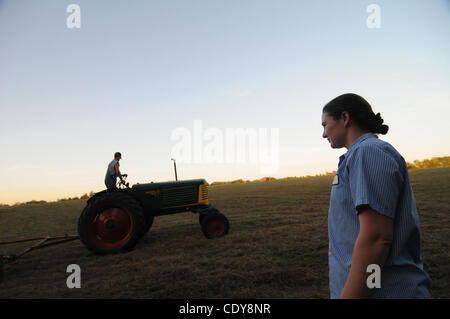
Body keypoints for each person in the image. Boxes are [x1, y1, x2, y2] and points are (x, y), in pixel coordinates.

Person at [321, 93, 431, 299]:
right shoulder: (358, 155)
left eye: (325, 125)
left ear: (344, 118)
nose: (324, 134)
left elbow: (377, 239)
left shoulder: (367, 152)